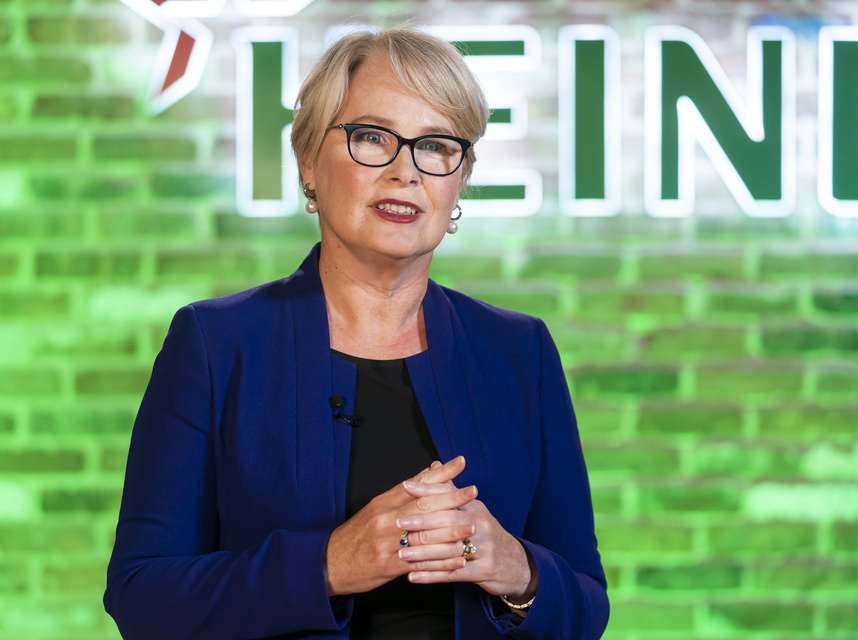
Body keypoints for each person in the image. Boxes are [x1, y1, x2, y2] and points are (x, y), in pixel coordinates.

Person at [104, 25, 608, 640]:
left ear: (458, 180)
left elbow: (588, 607)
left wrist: (516, 569)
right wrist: (329, 564)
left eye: (436, 146)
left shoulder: (520, 352)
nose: (405, 172)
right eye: (372, 137)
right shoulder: (215, 345)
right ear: (309, 162)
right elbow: (141, 597)